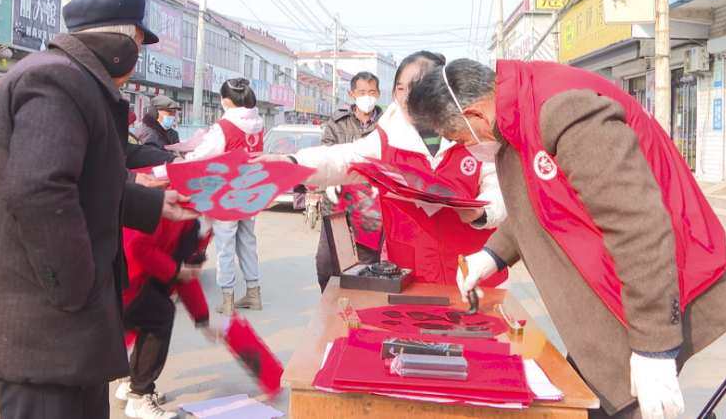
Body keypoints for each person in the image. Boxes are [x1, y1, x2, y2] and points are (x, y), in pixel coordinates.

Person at [406, 59, 726, 419]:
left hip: (653, 290)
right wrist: (491, 255)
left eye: (459, 139)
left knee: (630, 401)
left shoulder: (564, 109)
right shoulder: (515, 112)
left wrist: (654, 348)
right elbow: (537, 201)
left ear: (475, 114)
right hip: (606, 297)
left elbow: (637, 224)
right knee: (592, 395)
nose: (465, 147)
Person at [0, 0, 198, 419]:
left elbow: (87, 180)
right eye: (137, 42)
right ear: (116, 44)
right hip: (43, 323)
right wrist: (76, 286)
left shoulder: (75, 80)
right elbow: (40, 190)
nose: (138, 58)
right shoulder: (55, 80)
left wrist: (155, 204)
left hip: (66, 321)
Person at [261, 52, 507, 287]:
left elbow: (502, 188)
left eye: (419, 87)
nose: (407, 97)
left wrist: (483, 212)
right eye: (401, 88)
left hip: (474, 270)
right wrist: (291, 164)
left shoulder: (474, 132)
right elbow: (342, 158)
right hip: (411, 274)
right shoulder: (388, 138)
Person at [117, 218, 215, 419]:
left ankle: (131, 384)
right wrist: (176, 271)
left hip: (142, 283)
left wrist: (202, 317)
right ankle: (138, 395)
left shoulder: (200, 225)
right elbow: (136, 247)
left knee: (155, 316)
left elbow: (186, 273)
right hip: (125, 281)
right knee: (158, 316)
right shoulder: (171, 207)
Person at [186, 78, 265, 315]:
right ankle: (253, 294)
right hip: (250, 194)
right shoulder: (259, 125)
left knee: (225, 247)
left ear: (227, 101)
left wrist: (186, 157)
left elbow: (202, 155)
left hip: (226, 195)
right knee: (248, 244)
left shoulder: (225, 126)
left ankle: (227, 299)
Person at [314, 71, 383, 292]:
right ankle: (331, 306)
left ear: (378, 94)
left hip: (371, 207)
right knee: (326, 264)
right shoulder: (337, 122)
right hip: (337, 204)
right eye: (362, 92)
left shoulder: (387, 124)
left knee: (368, 266)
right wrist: (331, 180)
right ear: (352, 95)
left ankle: (362, 311)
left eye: (372, 92)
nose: (367, 97)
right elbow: (325, 155)